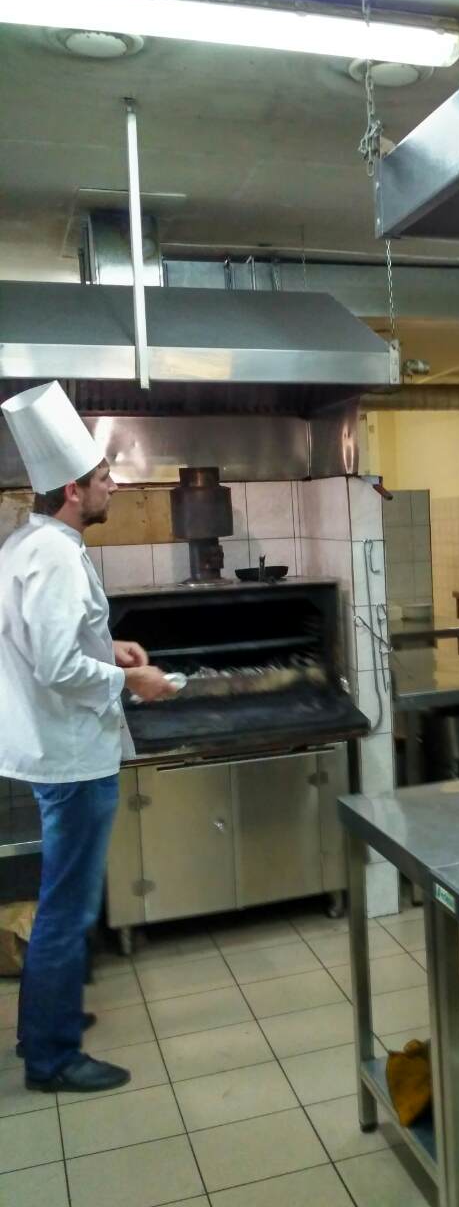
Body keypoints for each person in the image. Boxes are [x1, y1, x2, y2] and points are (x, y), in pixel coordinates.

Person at [0, 381, 174, 1093]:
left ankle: (46, 1018)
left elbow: (58, 645)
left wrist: (110, 648)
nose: (113, 486)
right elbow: (54, 665)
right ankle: (52, 1057)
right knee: (67, 909)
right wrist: (133, 680)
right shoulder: (56, 555)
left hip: (57, 747)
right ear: (72, 490)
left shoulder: (32, 542)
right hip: (72, 758)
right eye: (103, 477)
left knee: (63, 902)